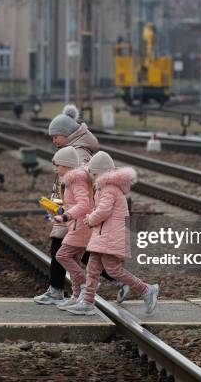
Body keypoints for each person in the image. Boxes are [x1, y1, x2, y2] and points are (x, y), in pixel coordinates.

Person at [34, 105, 127, 305]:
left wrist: (67, 212)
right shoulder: (72, 150)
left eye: (56, 136)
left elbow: (82, 185)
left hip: (77, 213)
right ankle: (116, 281)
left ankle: (59, 290)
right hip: (72, 211)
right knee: (80, 253)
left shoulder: (79, 154)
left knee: (63, 251)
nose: (53, 140)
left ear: (67, 135)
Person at [65, 151, 159, 315]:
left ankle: (146, 290)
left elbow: (103, 211)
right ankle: (87, 302)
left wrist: (90, 219)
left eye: (93, 173)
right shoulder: (105, 187)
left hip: (111, 236)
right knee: (93, 269)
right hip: (103, 236)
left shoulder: (109, 188)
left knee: (112, 269)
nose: (92, 177)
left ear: (101, 172)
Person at [50, 147, 93, 309]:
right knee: (73, 259)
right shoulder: (69, 180)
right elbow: (74, 204)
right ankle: (76, 297)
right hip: (75, 225)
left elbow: (84, 204)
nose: (55, 168)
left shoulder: (76, 180)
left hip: (80, 225)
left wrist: (66, 216)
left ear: (67, 165)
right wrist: (59, 211)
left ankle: (86, 285)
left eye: (58, 165)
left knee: (62, 255)